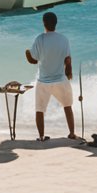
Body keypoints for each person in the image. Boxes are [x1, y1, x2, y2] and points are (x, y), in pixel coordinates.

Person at [26, 11, 78, 142]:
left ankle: (42, 136)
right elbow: (68, 60)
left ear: (44, 23)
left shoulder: (40, 39)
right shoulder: (63, 39)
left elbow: (33, 60)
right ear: (56, 23)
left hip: (44, 81)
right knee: (67, 106)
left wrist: (27, 52)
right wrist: (69, 73)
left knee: (40, 110)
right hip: (60, 79)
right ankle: (72, 133)